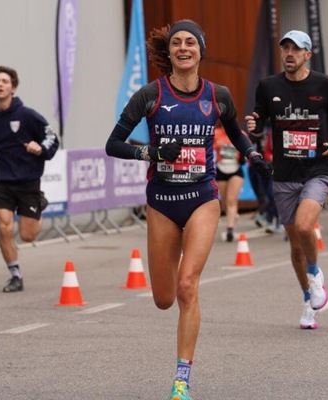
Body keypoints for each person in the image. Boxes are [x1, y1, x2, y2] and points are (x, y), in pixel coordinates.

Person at [105, 20, 271, 400]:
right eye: (177, 42)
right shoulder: (150, 94)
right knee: (164, 298)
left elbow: (236, 131)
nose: (183, 48)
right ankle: (180, 364)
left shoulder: (218, 95)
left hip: (202, 197)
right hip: (162, 202)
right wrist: (150, 152)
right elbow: (113, 144)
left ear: (200, 51)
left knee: (186, 286)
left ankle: (182, 378)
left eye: (190, 43)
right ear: (171, 52)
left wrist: (253, 155)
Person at [246, 30, 328, 330]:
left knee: (306, 226)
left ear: (308, 54)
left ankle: (316, 273)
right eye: (285, 48)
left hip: (317, 169)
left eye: (296, 49)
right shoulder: (268, 86)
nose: (289, 54)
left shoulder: (324, 84)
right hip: (283, 174)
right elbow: (258, 124)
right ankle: (308, 299)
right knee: (294, 246)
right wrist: (254, 125)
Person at [0, 66, 59, 293]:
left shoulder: (28, 115)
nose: (0, 84)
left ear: (13, 87)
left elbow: (52, 139)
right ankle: (15, 275)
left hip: (28, 182)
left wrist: (40, 148)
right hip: (2, 182)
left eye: (5, 81)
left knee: (27, 235)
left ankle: (39, 204)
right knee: (4, 228)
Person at [213, 125, 245, 242]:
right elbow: (208, 147)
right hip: (221, 169)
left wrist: (242, 154)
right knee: (225, 201)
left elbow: (247, 149)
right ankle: (232, 215)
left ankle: (230, 230)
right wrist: (217, 145)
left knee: (231, 200)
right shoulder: (216, 133)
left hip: (236, 170)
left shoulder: (240, 133)